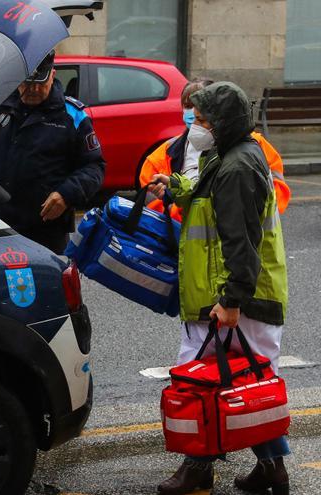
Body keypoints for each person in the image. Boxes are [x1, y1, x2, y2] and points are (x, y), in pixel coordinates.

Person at [149, 82, 289, 495]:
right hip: (233, 294)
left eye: (205, 119)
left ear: (224, 123)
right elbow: (204, 197)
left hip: (234, 297)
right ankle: (270, 470)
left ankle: (196, 470)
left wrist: (230, 301)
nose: (197, 125)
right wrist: (175, 187)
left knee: (201, 383)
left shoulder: (236, 167)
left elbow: (241, 242)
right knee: (249, 382)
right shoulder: (230, 156)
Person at [0, 50, 105, 254]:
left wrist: (67, 194)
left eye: (40, 83)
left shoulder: (72, 116)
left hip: (44, 229)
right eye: (27, 83)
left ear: (52, 74)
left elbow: (94, 166)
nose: (33, 89)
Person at [140, 78, 291, 221]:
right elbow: (154, 204)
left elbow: (275, 192)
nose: (193, 113)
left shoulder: (254, 145)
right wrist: (182, 212)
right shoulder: (162, 155)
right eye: (188, 106)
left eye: (200, 110)